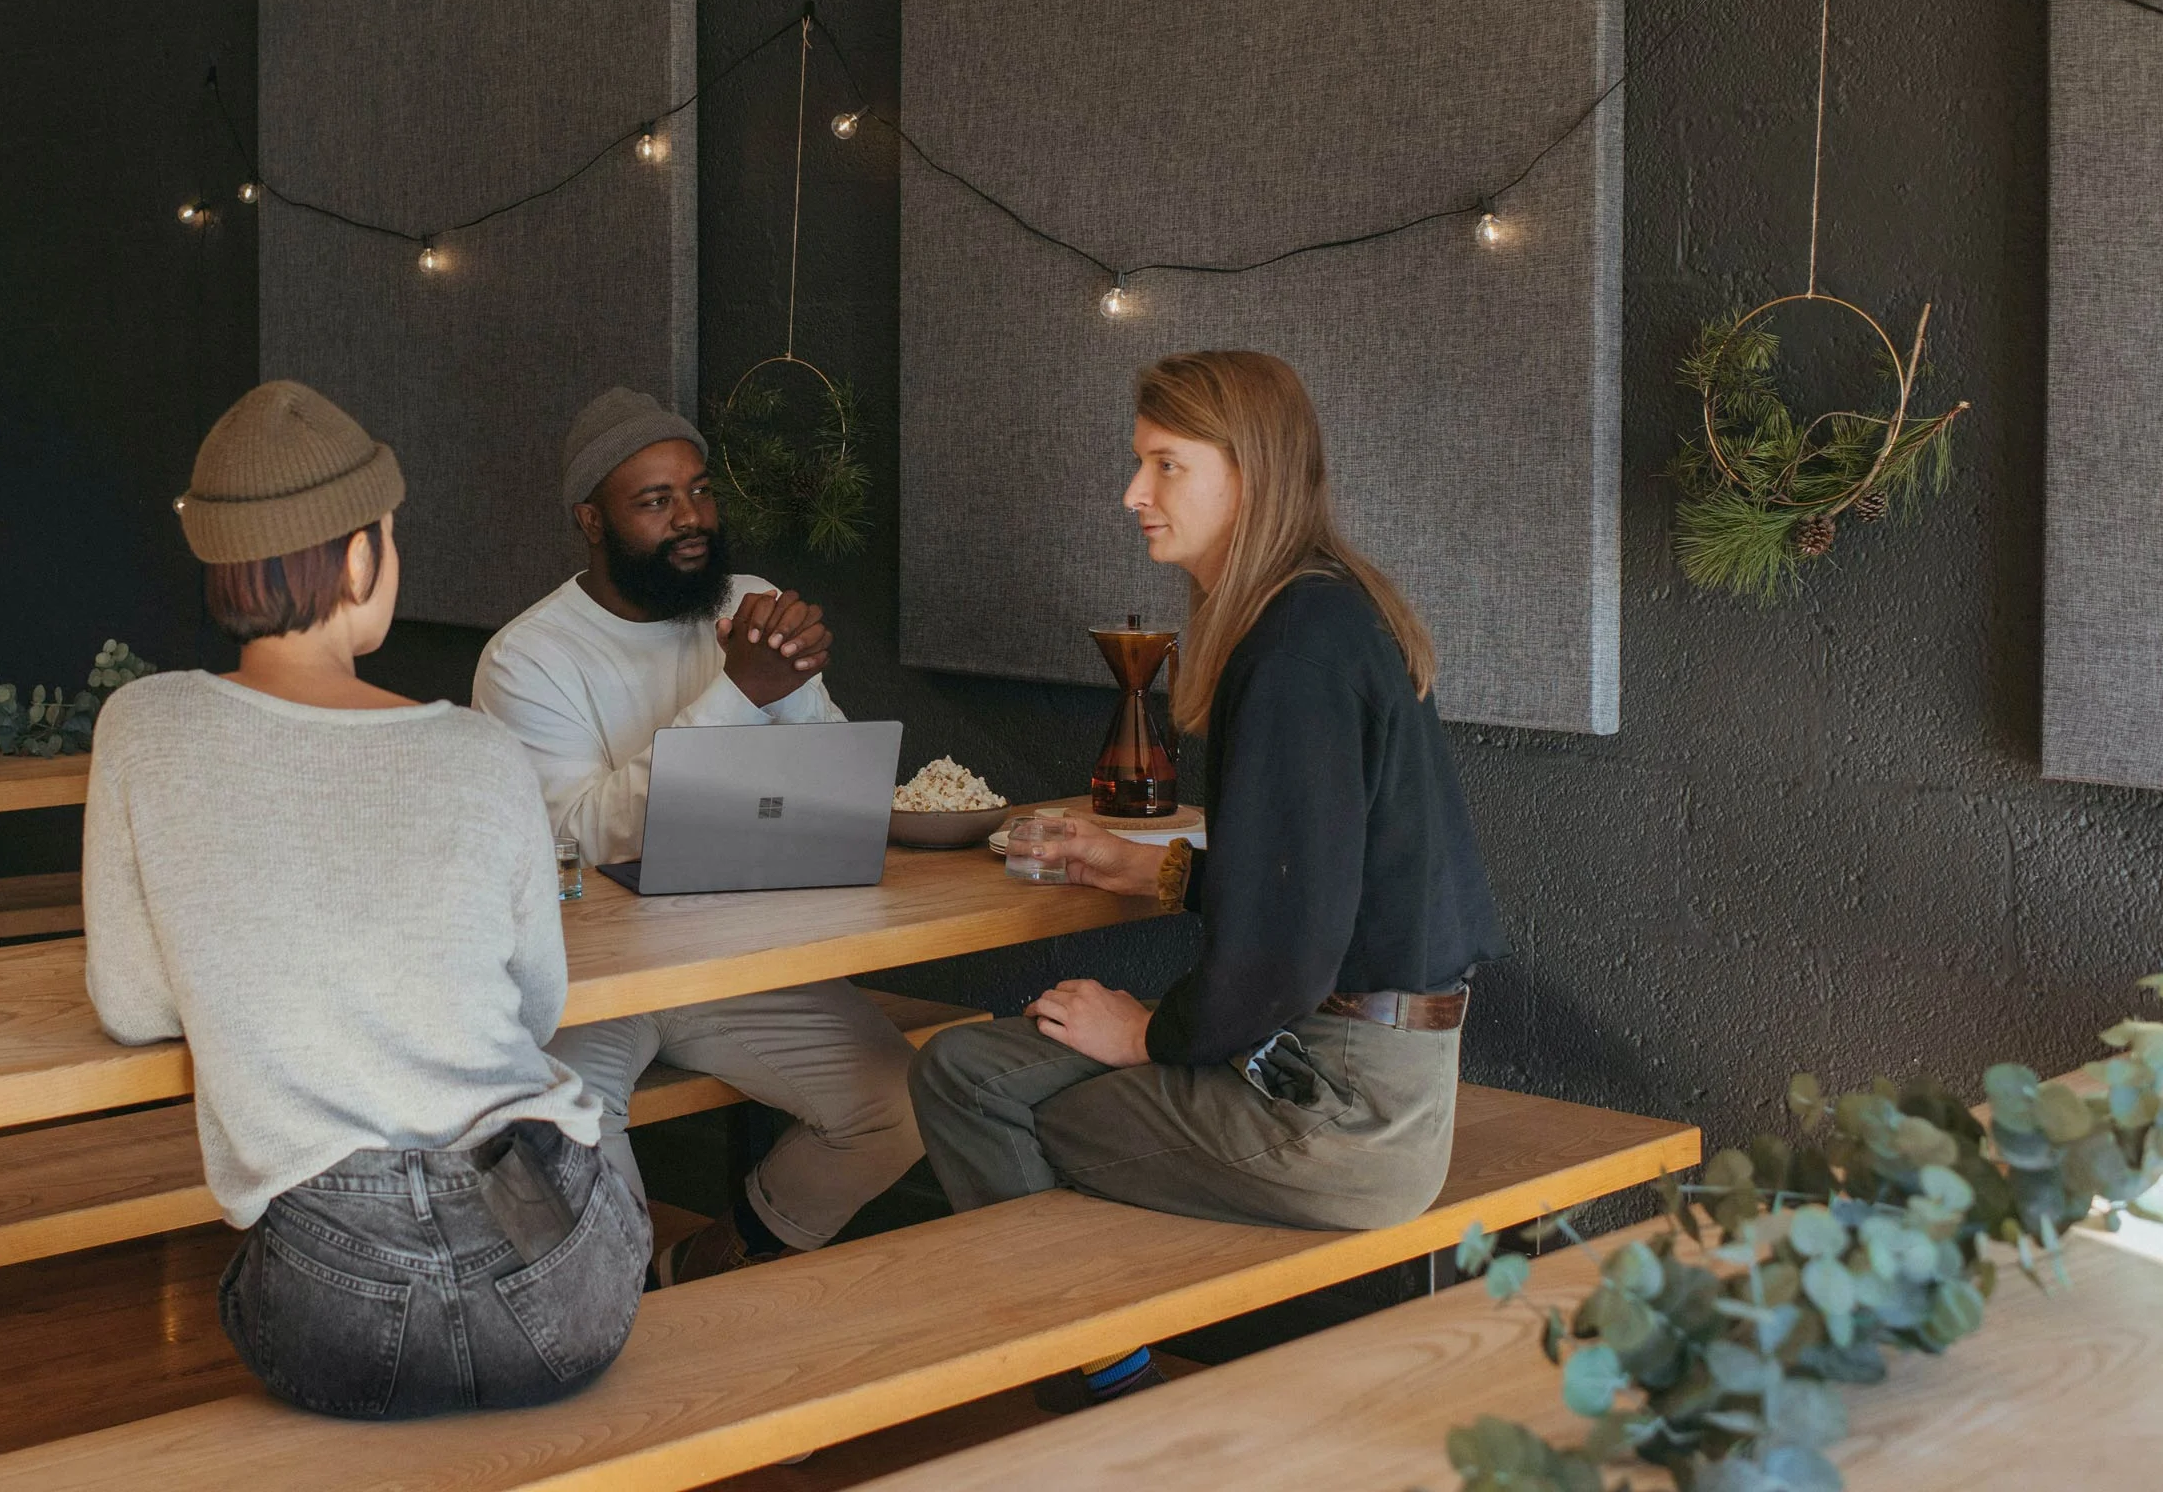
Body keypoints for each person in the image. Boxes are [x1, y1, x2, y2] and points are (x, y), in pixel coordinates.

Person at [910, 350, 1503, 1409]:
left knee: (971, 1081)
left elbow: (1285, 947)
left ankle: (1110, 1399)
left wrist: (1148, 1035)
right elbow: (1326, 872)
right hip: (1388, 1078)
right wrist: (1157, 867)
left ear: (1251, 472)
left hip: (1336, 1116)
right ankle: (1115, 1358)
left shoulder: (1291, 651)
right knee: (989, 1064)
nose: (1132, 494)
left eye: (1163, 464)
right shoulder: (1333, 608)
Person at [84, 380, 647, 1420]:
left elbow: (129, 1003)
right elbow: (538, 1006)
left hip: (334, 1302)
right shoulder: (479, 750)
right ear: (355, 555)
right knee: (595, 1112)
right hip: (564, 1275)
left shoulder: (142, 727)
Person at [474, 386, 925, 1285]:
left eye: (700, 491)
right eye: (655, 502)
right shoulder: (526, 658)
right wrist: (735, 695)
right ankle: (624, 1320)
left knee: (902, 1103)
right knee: (566, 1129)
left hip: (733, 957)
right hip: (590, 979)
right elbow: (575, 839)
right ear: (591, 521)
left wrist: (782, 690)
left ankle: (716, 1264)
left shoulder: (747, 603)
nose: (691, 519)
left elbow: (825, 776)